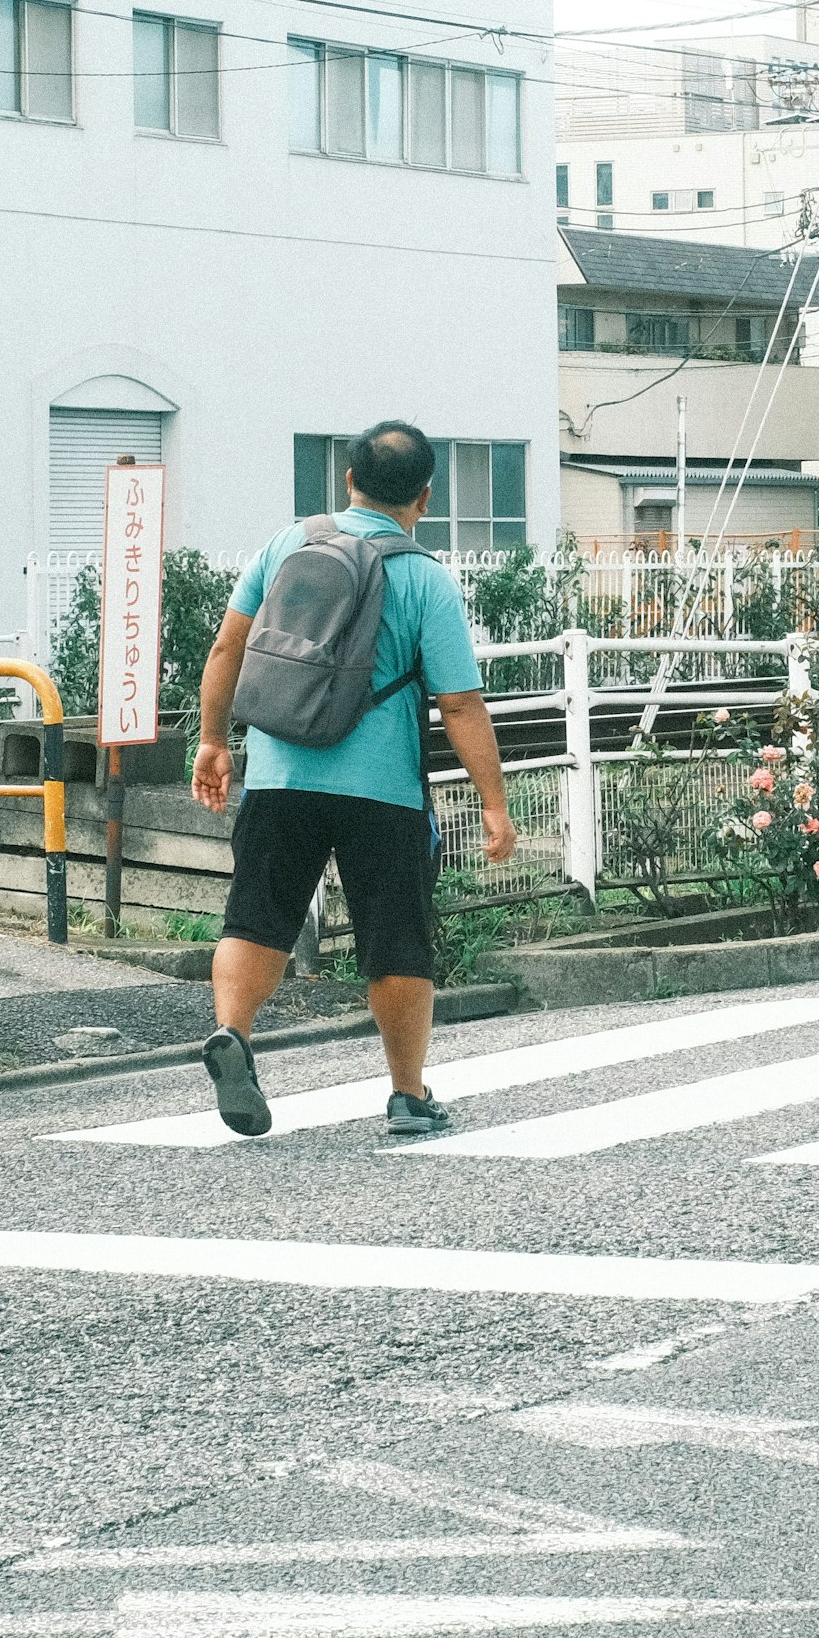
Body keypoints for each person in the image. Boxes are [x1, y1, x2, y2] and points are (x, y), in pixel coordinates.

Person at [190, 419, 514, 1139]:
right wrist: (494, 803)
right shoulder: (425, 577)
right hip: (382, 791)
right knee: (396, 940)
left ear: (347, 480)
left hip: (279, 772)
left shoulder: (287, 545)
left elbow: (227, 645)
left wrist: (215, 741)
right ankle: (407, 1094)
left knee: (257, 916)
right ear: (425, 497)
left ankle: (235, 1033)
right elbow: (460, 702)